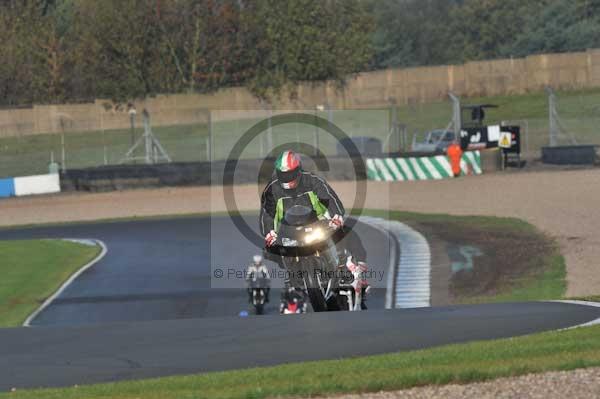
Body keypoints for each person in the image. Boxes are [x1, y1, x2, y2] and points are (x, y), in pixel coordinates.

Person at [259, 150, 345, 248]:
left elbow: (328, 196)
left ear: (298, 170)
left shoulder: (312, 180)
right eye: (283, 174)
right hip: (286, 230)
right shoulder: (272, 188)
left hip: (317, 223)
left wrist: (336, 215)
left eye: (290, 173)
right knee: (273, 252)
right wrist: (269, 233)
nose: (287, 177)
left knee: (339, 236)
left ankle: (345, 259)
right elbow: (266, 213)